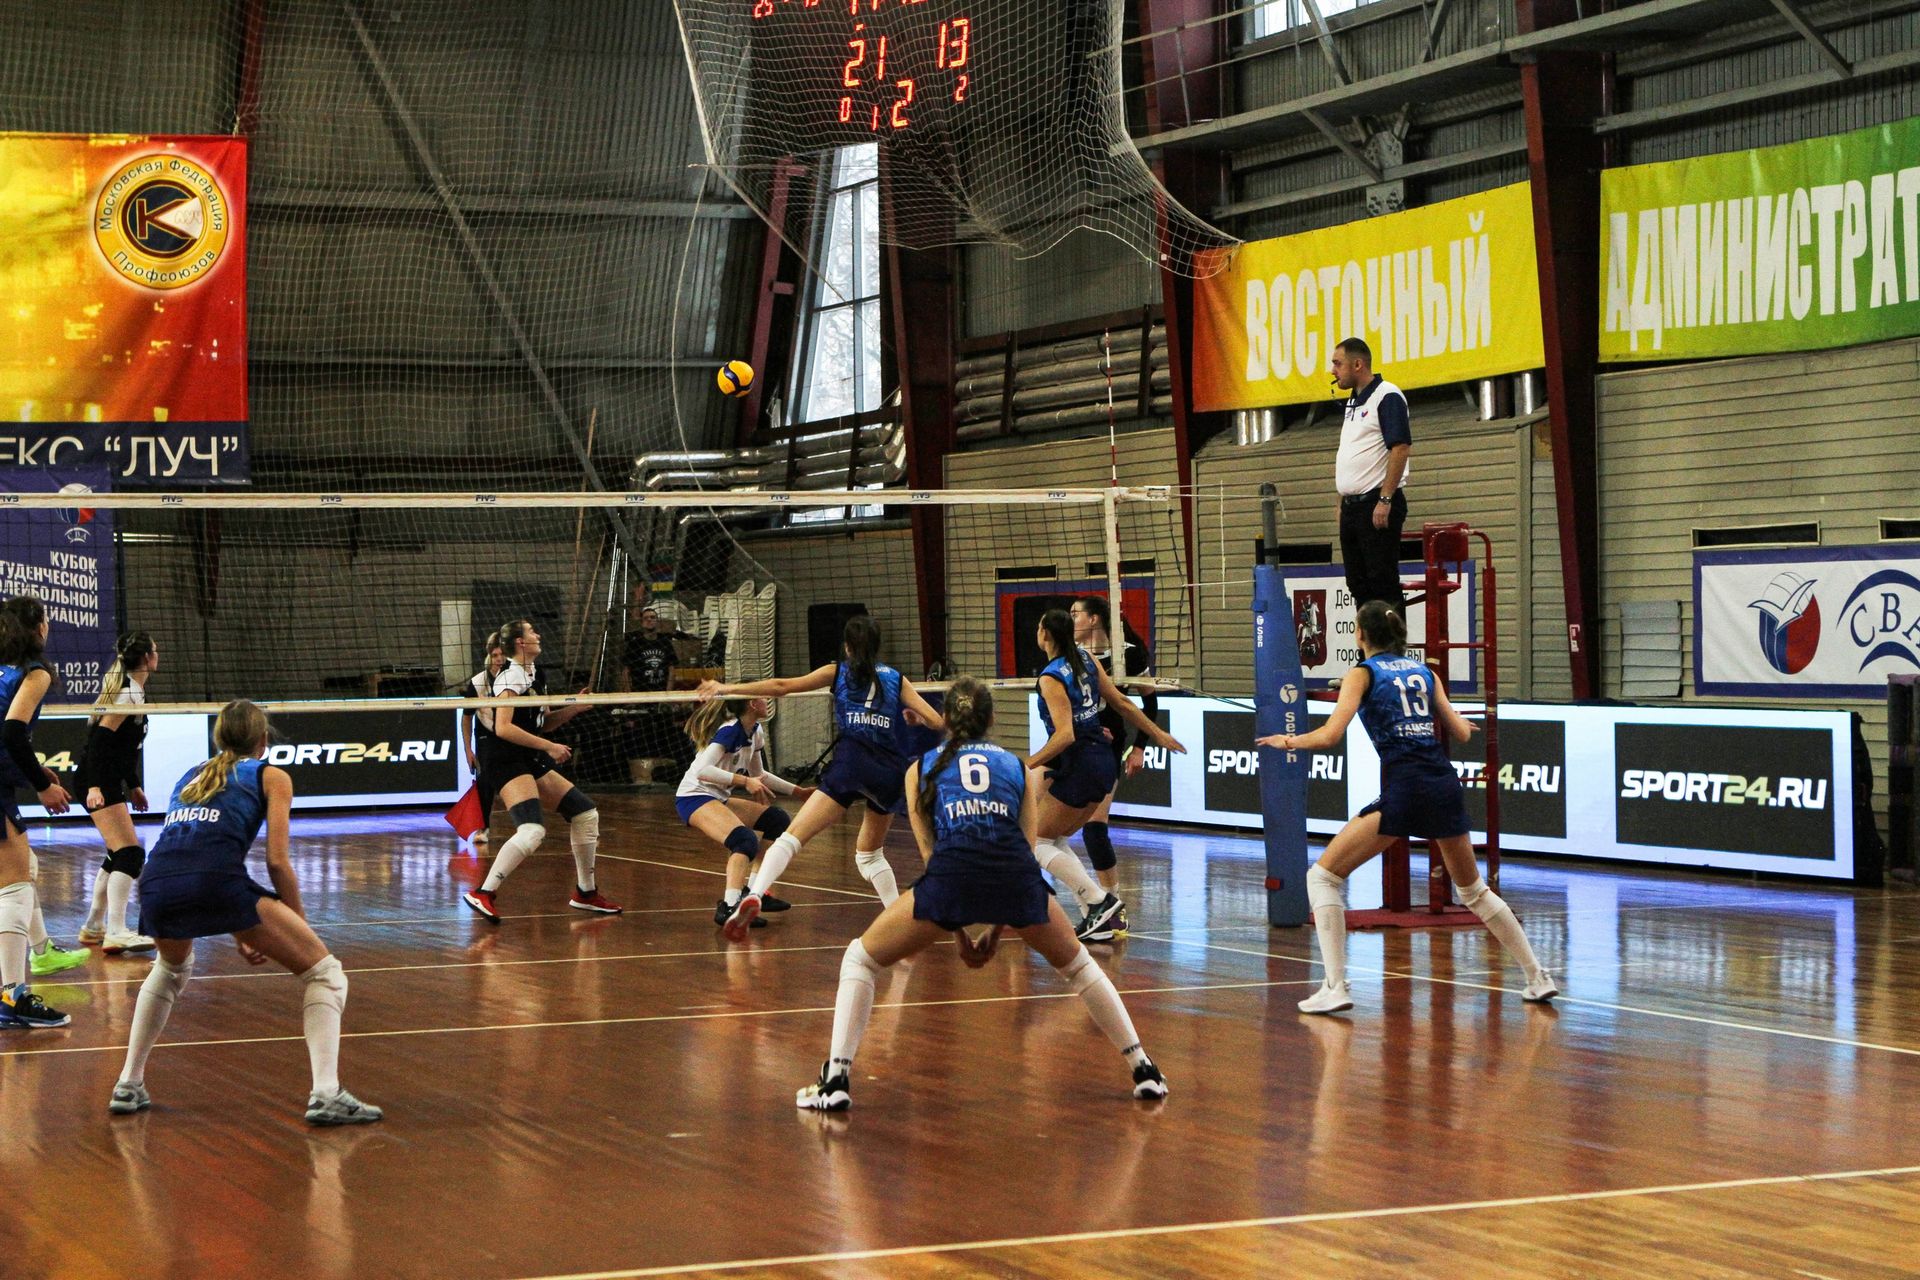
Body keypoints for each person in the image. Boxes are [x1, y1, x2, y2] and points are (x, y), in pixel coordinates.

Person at [795, 677, 1168, 1111]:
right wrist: (997, 926)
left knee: (860, 959)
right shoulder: (1016, 767)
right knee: (1082, 968)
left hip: (951, 876)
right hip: (1015, 880)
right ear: (991, 719)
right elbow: (1026, 850)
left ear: (944, 719)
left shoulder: (921, 768)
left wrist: (955, 928)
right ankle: (1144, 1069)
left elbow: (930, 853)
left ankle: (836, 1079)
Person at [1257, 601, 1557, 1013]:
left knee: (1322, 877)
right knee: (1473, 891)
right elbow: (1460, 733)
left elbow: (1330, 735)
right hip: (1443, 784)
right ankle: (1538, 977)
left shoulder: (1361, 674)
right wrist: (1457, 722)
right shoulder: (1425, 673)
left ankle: (1335, 986)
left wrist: (1287, 740)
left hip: (1407, 786)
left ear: (1360, 634)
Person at [107, 699, 382, 1124]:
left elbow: (197, 853)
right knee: (325, 974)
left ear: (219, 737)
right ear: (263, 740)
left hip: (156, 882)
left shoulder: (191, 774)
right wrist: (298, 925)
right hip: (213, 880)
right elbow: (277, 862)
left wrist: (242, 929)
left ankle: (128, 1082)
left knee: (170, 969)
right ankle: (326, 1093)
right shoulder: (272, 776)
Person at [698, 615, 945, 942]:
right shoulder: (897, 679)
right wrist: (914, 718)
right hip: (888, 770)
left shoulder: (837, 671)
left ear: (847, 646)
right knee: (869, 854)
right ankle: (896, 919)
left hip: (851, 764)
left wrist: (727, 688)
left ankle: (754, 894)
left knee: (791, 838)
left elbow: (782, 687)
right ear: (877, 645)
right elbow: (936, 721)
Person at [1028, 608, 1185, 944]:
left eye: (1038, 627)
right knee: (1055, 839)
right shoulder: (1086, 659)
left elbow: (1064, 735)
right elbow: (1124, 704)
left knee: (1036, 842)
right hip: (1101, 758)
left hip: (1080, 762)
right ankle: (1094, 912)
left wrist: (1025, 764)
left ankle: (1101, 901)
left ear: (1045, 634)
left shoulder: (1051, 677)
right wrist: (1159, 734)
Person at [463, 619, 619, 921]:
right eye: (532, 631)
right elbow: (503, 728)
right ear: (520, 642)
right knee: (532, 830)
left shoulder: (536, 673)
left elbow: (543, 723)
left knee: (585, 814)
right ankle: (483, 892)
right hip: (503, 757)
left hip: (525, 755)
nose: (538, 634)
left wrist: (574, 708)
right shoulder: (510, 677)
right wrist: (549, 747)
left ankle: (586, 893)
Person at [0, 599, 78, 1027]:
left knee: (23, 868)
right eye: (46, 620)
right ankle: (12, 995)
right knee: (15, 885)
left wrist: (30, 772)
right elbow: (12, 731)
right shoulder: (35, 672)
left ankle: (38, 955)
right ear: (38, 629)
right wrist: (43, 785)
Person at [677, 696, 811, 928]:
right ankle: (730, 906)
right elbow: (703, 771)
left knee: (776, 820)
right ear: (751, 704)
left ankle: (755, 893)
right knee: (744, 841)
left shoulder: (755, 731)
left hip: (717, 796)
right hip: (694, 797)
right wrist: (744, 781)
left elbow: (759, 775)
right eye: (762, 697)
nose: (767, 700)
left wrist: (798, 791)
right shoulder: (730, 731)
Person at [1069, 596, 1159, 939]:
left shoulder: (1129, 654)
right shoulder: (1070, 655)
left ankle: (1112, 909)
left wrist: (1140, 747)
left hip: (1107, 748)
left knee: (1094, 828)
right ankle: (1096, 906)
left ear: (1094, 619)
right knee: (1048, 834)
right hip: (1074, 744)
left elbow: (1149, 701)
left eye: (1076, 614)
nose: (1071, 620)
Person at [74, 632, 161, 955]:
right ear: (147, 658)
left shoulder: (134, 691)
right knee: (130, 854)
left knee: (117, 854)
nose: (158, 655)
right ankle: (116, 931)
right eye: (155, 650)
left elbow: (124, 748)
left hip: (106, 777)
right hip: (97, 778)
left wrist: (134, 784)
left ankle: (94, 927)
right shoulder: (126, 695)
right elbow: (99, 743)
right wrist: (95, 786)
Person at [1331, 337, 1411, 616]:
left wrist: (1385, 499)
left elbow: (1400, 448)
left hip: (1375, 504)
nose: (1333, 370)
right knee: (1357, 583)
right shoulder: (1353, 403)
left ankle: (1391, 643)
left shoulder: (1387, 395)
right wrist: (1342, 501)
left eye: (1337, 363)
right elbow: (1352, 456)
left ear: (1357, 364)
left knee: (1382, 582)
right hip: (1353, 508)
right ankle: (1368, 642)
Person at [622, 599, 697, 782]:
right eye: (646, 618)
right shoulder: (635, 644)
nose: (650, 620)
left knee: (664, 727)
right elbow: (625, 671)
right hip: (641, 694)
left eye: (653, 617)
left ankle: (663, 765)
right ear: (642, 622)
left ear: (657, 621)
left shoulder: (664, 643)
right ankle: (643, 769)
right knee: (643, 729)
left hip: (661, 695)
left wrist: (668, 694)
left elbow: (671, 669)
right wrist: (629, 695)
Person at [460, 636, 508, 844]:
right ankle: (483, 827)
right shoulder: (478, 682)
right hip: (487, 733)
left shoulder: (517, 678)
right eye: (494, 655)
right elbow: (466, 717)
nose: (498, 659)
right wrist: (468, 749)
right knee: (484, 780)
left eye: (502, 654)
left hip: (512, 731)